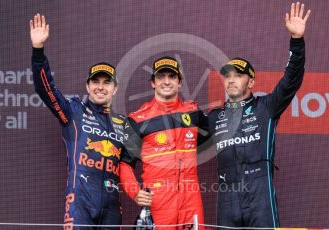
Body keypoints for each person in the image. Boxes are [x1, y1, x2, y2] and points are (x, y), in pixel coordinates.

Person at [207, 2, 311, 228]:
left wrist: (296, 41)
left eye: (239, 75)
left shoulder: (267, 107)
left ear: (251, 82)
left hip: (260, 195)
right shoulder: (214, 118)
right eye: (227, 76)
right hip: (227, 198)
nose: (231, 80)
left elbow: (292, 78)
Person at [30, 14, 124, 229]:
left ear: (115, 88)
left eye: (107, 82)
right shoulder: (73, 112)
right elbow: (45, 89)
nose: (101, 87)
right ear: (87, 86)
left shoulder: (123, 124)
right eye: (96, 82)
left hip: (112, 208)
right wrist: (38, 52)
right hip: (80, 204)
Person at [120, 56, 208, 230]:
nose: (166, 82)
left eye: (172, 76)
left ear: (179, 82)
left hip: (191, 198)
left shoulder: (193, 113)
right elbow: (124, 163)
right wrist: (135, 192)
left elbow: (216, 140)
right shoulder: (137, 119)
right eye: (161, 77)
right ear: (153, 82)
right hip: (159, 200)